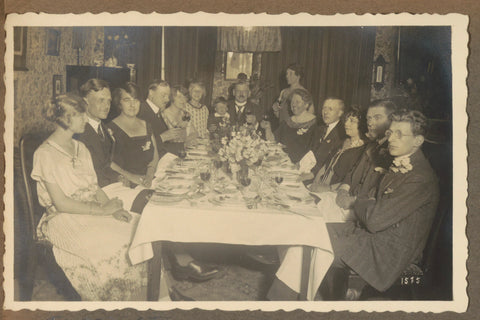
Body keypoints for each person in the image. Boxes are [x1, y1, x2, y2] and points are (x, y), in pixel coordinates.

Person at [268, 109, 439, 300]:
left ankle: (285, 302)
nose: (391, 139)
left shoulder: (420, 178)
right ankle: (293, 301)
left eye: (400, 134)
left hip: (386, 252)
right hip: (365, 233)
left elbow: (375, 219)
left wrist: (359, 201)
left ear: (418, 141)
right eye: (391, 132)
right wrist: (368, 203)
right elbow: (373, 204)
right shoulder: (400, 162)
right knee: (304, 231)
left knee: (309, 242)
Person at [32, 94, 148, 301]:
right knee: (110, 243)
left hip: (92, 209)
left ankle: (145, 298)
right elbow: (61, 203)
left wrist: (114, 209)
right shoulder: (44, 154)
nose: (86, 120)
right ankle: (110, 304)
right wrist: (103, 211)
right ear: (67, 118)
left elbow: (94, 188)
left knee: (139, 227)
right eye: (82, 116)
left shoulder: (81, 148)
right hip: (63, 217)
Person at [107, 82, 159, 188]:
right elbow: (108, 162)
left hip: (148, 182)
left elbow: (155, 156)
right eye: (127, 100)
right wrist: (132, 177)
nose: (132, 105)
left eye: (135, 100)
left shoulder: (146, 125)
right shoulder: (110, 128)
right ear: (119, 103)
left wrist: (149, 176)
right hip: (124, 184)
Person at [75, 79, 120, 188]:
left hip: (111, 185)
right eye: (101, 100)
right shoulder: (78, 132)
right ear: (85, 102)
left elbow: (107, 164)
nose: (106, 106)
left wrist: (119, 177)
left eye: (108, 101)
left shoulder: (105, 129)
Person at [309, 107, 367, 191]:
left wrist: (328, 188)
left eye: (352, 121)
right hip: (321, 187)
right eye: (346, 120)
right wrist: (315, 183)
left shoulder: (363, 151)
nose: (346, 124)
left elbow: (353, 181)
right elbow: (325, 167)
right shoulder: (342, 142)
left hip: (336, 192)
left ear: (362, 124)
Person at [262, 88, 317, 163]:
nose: (294, 104)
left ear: (306, 105)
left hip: (302, 166)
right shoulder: (288, 122)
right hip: (283, 163)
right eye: (292, 102)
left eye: (297, 102)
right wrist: (267, 128)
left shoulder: (315, 124)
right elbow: (272, 140)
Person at [300, 98, 346, 180]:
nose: (325, 112)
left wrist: (312, 174)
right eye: (324, 108)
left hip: (321, 178)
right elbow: (310, 150)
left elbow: (330, 161)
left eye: (330, 109)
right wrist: (300, 163)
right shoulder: (320, 128)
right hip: (306, 170)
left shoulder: (342, 134)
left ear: (340, 113)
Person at [137, 80, 185, 156]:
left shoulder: (157, 111)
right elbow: (139, 147)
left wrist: (182, 145)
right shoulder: (141, 112)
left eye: (168, 96)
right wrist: (162, 137)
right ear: (151, 93)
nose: (167, 100)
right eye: (163, 95)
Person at [271, 64, 307, 128]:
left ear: (298, 76)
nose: (287, 76)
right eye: (287, 74)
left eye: (290, 74)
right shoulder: (283, 92)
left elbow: (309, 115)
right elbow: (280, 115)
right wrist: (275, 109)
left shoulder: (304, 93)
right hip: (282, 128)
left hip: (295, 129)